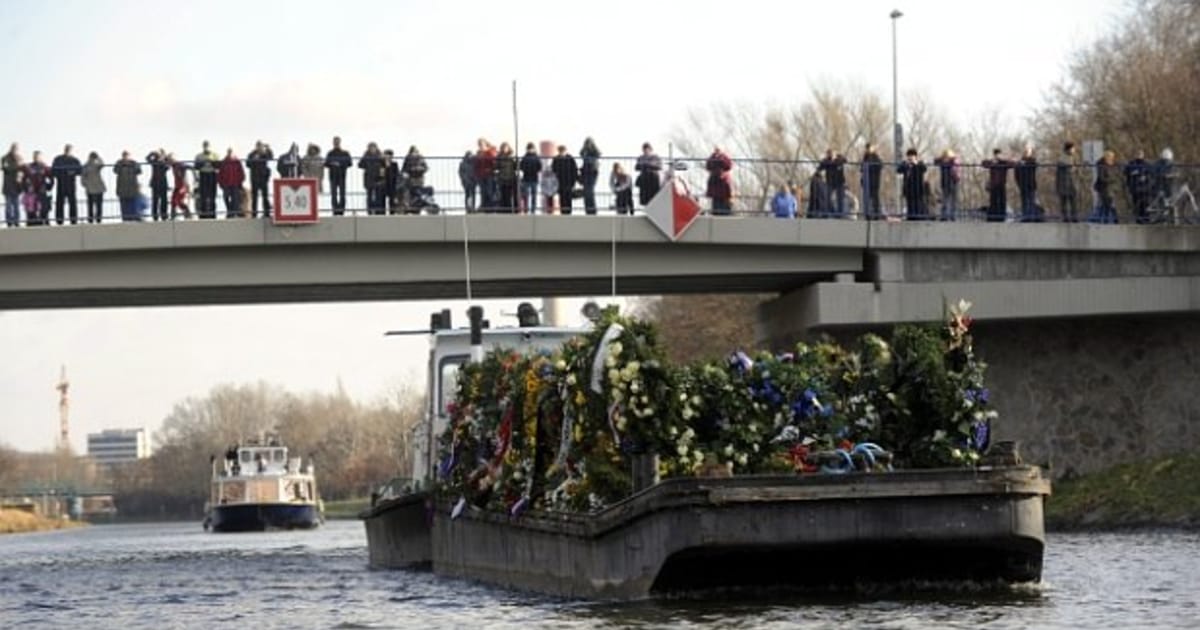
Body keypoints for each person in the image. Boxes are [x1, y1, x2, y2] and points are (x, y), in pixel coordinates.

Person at [50, 144, 82, 225]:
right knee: (60, 203)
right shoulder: (58, 159)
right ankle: (59, 220)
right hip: (61, 184)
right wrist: (61, 173)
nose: (67, 150)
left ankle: (73, 220)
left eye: (69, 149)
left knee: (72, 203)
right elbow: (53, 171)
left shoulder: (75, 160)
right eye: (66, 149)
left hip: (71, 184)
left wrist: (72, 172)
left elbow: (80, 171)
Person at [982, 148, 1013, 222]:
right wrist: (992, 160)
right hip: (993, 185)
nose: (997, 156)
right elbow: (984, 163)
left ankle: (1002, 217)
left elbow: (1013, 164)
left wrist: (1003, 160)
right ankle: (993, 217)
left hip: (1002, 184)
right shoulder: (993, 162)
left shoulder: (1003, 163)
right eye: (996, 155)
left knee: (1002, 201)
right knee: (993, 201)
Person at [22, 151, 52, 226]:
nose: (36, 158)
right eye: (35, 157)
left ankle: (45, 221)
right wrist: (26, 188)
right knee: (31, 208)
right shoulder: (29, 167)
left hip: (42, 190)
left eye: (38, 157)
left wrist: (48, 186)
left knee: (44, 208)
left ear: (41, 157)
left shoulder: (45, 167)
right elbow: (24, 179)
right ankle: (31, 222)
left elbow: (51, 178)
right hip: (32, 192)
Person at [245, 141, 274, 218]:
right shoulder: (251, 154)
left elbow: (271, 157)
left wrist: (268, 149)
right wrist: (254, 159)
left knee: (265, 196)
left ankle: (266, 212)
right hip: (254, 178)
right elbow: (247, 164)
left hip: (263, 178)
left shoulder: (264, 154)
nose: (259, 148)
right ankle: (254, 213)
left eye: (260, 146)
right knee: (254, 197)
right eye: (258, 146)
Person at [897, 148, 928, 220]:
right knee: (909, 204)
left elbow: (924, 169)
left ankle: (918, 217)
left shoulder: (919, 163)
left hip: (917, 189)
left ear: (915, 156)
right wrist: (905, 164)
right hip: (908, 189)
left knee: (918, 205)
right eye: (909, 156)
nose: (910, 157)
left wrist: (916, 164)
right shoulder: (906, 164)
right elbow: (898, 170)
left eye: (912, 156)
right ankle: (910, 217)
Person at [324, 136, 352, 215]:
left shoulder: (345, 153)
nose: (336, 143)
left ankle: (341, 210)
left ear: (340, 142)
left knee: (342, 193)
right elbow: (326, 164)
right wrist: (332, 164)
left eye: (337, 142)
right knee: (333, 194)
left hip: (342, 175)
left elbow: (350, 163)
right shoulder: (330, 153)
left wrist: (340, 164)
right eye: (335, 142)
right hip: (332, 175)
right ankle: (335, 210)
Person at [113, 150, 143, 222]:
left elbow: (139, 171)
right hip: (122, 189)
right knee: (124, 205)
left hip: (132, 188)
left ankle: (135, 217)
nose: (125, 157)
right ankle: (125, 218)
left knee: (133, 204)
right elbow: (115, 170)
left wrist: (131, 164)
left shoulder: (134, 163)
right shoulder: (119, 163)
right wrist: (122, 164)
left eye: (127, 155)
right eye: (124, 155)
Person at [1124, 149, 1152, 224]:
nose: (1139, 155)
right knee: (1137, 205)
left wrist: (1146, 179)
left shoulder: (1146, 164)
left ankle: (1146, 219)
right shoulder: (1131, 164)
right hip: (1135, 189)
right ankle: (1139, 220)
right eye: (1138, 154)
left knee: (1145, 205)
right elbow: (1127, 175)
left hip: (1145, 189)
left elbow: (1150, 175)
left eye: (1140, 154)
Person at [194, 141, 220, 219]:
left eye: (207, 146)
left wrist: (211, 162)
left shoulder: (215, 155)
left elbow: (218, 166)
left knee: (212, 195)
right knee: (203, 195)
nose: (206, 147)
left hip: (212, 175)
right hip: (203, 175)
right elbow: (196, 166)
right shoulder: (199, 156)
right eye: (205, 146)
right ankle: (203, 214)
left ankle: (213, 214)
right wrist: (203, 162)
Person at [817, 149, 847, 217]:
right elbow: (820, 167)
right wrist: (825, 161)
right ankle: (832, 212)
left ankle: (840, 214)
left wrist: (837, 157)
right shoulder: (826, 161)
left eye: (832, 154)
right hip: (830, 182)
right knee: (827, 198)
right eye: (829, 154)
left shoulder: (839, 159)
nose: (831, 155)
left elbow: (845, 160)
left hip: (840, 182)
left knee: (840, 199)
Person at [932, 149, 960, 221]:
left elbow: (956, 166)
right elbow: (935, 161)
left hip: (954, 182)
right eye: (945, 156)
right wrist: (942, 158)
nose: (946, 158)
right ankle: (944, 216)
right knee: (945, 200)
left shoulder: (953, 161)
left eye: (947, 156)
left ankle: (953, 216)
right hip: (945, 183)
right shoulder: (942, 162)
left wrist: (953, 158)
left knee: (953, 200)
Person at [217, 148, 246, 218]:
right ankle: (230, 210)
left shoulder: (236, 162)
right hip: (226, 184)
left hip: (235, 183)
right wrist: (221, 183)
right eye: (229, 152)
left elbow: (241, 172)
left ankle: (232, 213)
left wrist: (240, 182)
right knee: (225, 197)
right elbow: (220, 173)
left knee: (235, 199)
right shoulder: (224, 162)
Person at [1093, 150, 1120, 224]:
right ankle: (1106, 220)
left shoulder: (1114, 165)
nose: (1112, 158)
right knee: (1106, 205)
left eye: (1112, 157)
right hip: (1104, 188)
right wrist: (1111, 179)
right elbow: (1101, 177)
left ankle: (1112, 220)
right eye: (1110, 157)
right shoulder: (1101, 165)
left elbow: (1117, 174)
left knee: (1110, 205)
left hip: (1112, 188)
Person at [551, 145, 579, 215]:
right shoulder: (557, 159)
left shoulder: (570, 159)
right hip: (561, 183)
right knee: (562, 198)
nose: (561, 152)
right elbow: (553, 171)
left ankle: (568, 212)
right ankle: (563, 212)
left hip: (568, 182)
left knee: (568, 198)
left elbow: (574, 171)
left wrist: (574, 181)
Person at [1015, 147, 1040, 222]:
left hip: (1031, 184)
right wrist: (1019, 184)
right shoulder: (1020, 163)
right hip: (1023, 185)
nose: (1029, 154)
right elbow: (1017, 174)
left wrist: (1026, 162)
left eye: (1030, 152)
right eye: (1028, 152)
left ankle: (1031, 216)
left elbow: (1035, 164)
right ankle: (1025, 216)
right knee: (1025, 201)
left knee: (1031, 201)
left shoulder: (1032, 161)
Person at [359, 142, 385, 214]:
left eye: (373, 147)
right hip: (369, 178)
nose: (372, 149)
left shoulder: (380, 156)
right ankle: (369, 210)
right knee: (369, 195)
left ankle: (378, 211)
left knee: (378, 195)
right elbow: (360, 164)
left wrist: (381, 176)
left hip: (377, 178)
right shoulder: (366, 156)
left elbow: (384, 166)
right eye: (371, 148)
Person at [1056, 142, 1079, 223]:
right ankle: (1066, 217)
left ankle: (1074, 217)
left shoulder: (1073, 157)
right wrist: (1072, 167)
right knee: (1064, 201)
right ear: (1069, 149)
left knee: (1073, 201)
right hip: (1065, 182)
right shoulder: (1063, 158)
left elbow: (1075, 169)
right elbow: (1066, 166)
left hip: (1071, 182)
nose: (1074, 150)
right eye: (1073, 148)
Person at [145, 148, 170, 221]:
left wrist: (164, 158)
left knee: (164, 200)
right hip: (155, 183)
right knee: (155, 200)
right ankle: (155, 216)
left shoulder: (165, 161)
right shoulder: (154, 161)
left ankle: (164, 215)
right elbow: (147, 159)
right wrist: (152, 153)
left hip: (163, 183)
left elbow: (168, 167)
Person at [81, 151, 106, 223]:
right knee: (94, 205)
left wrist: (85, 184)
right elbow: (83, 177)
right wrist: (85, 184)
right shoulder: (87, 166)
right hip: (93, 188)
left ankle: (94, 219)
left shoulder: (92, 165)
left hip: (97, 188)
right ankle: (94, 219)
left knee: (95, 205)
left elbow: (102, 164)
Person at [401, 146, 428, 213]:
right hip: (411, 179)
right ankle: (410, 208)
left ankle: (417, 209)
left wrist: (420, 169)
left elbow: (426, 167)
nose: (415, 153)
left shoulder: (421, 158)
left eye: (416, 151)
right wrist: (411, 170)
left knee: (419, 194)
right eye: (414, 151)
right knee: (410, 193)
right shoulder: (408, 158)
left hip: (419, 179)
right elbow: (404, 168)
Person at [635, 142, 662, 207]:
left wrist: (647, 165)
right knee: (645, 197)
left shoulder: (656, 157)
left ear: (650, 149)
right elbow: (636, 167)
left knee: (654, 196)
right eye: (644, 149)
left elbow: (659, 166)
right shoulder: (640, 157)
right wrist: (645, 165)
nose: (645, 151)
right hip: (644, 179)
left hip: (653, 179)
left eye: (647, 149)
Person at [861, 143, 883, 219]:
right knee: (867, 198)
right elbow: (862, 169)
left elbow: (880, 165)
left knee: (875, 198)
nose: (868, 150)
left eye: (869, 148)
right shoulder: (865, 157)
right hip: (867, 182)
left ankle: (876, 214)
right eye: (867, 148)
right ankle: (868, 214)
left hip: (874, 181)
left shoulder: (875, 157)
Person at [2, 143, 22, 227]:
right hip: (8, 186)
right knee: (8, 206)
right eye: (14, 148)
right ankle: (9, 222)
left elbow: (22, 171)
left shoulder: (19, 158)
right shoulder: (5, 158)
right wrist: (17, 166)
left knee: (17, 205)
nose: (15, 150)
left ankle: (17, 222)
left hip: (17, 186)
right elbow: (6, 168)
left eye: (17, 148)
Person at [474, 138, 497, 211]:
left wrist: (490, 169)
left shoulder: (490, 152)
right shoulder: (479, 153)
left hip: (488, 175)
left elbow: (493, 162)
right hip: (480, 175)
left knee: (489, 191)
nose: (480, 146)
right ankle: (484, 206)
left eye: (481, 144)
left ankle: (490, 207)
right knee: (483, 191)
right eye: (479, 144)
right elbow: (476, 165)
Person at [579, 137, 601, 214]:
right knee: (586, 191)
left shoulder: (594, 151)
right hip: (586, 172)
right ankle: (588, 209)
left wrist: (588, 157)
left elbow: (598, 155)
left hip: (592, 172)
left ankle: (592, 210)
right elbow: (581, 154)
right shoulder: (584, 151)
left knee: (590, 191)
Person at [494, 142, 518, 212]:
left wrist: (516, 161)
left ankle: (510, 210)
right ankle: (504, 209)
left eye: (505, 148)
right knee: (503, 195)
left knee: (510, 196)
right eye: (503, 148)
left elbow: (516, 167)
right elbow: (496, 167)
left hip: (511, 178)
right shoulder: (499, 157)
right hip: (502, 179)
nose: (504, 149)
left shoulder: (512, 156)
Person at [518, 143, 541, 213]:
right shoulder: (525, 157)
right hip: (527, 178)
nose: (530, 150)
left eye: (531, 148)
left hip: (533, 178)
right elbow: (521, 166)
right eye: (529, 148)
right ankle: (526, 209)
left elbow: (539, 167)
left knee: (533, 195)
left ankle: (532, 210)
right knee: (526, 196)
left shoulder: (535, 157)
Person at [168, 153, 191, 219]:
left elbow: (188, 166)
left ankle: (187, 213)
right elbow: (164, 161)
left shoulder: (180, 164)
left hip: (183, 186)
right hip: (177, 186)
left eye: (171, 159)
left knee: (178, 200)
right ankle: (173, 215)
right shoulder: (173, 166)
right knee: (173, 200)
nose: (170, 161)